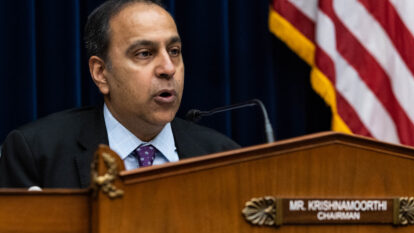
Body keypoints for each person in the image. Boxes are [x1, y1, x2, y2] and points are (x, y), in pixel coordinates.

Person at [0, 0, 240, 188]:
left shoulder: (223, 157)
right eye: (145, 53)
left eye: (174, 51)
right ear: (101, 73)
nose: (168, 68)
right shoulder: (38, 154)